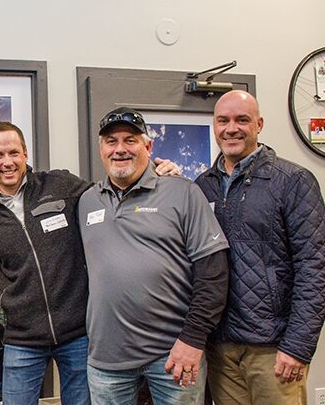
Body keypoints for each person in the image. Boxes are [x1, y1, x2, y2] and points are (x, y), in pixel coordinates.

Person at [0, 121, 179, 405]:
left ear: (25, 154)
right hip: (23, 338)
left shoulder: (60, 185)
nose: (7, 162)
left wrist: (157, 175)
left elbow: (115, 194)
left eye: (13, 153)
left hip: (77, 333)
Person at [77, 107, 230, 405]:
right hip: (107, 359)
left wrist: (193, 339)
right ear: (101, 149)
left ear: (148, 146)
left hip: (173, 354)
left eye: (130, 140)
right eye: (111, 141)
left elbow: (213, 273)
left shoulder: (182, 192)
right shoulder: (87, 200)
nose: (120, 149)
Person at [195, 90, 325, 405]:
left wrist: (297, 346)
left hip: (273, 348)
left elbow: (314, 268)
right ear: (214, 126)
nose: (231, 128)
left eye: (242, 120)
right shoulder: (203, 186)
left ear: (259, 124)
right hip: (221, 347)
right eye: (223, 121)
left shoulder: (292, 181)